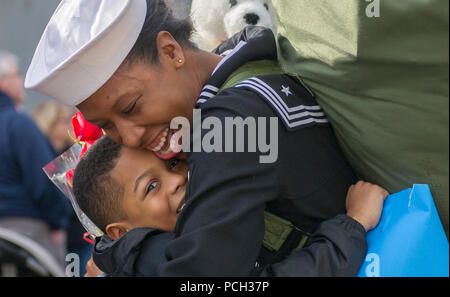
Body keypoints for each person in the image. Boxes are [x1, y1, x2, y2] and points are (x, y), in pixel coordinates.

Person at [25, 0, 387, 276]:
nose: (130, 137)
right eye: (106, 126)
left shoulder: (228, 125)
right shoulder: (247, 66)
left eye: (132, 106)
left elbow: (199, 276)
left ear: (171, 51)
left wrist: (118, 250)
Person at [73, 135, 387, 276]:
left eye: (172, 165)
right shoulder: (166, 261)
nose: (178, 180)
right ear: (119, 232)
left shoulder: (157, 246)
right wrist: (354, 222)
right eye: (151, 187)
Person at [0, 50, 72, 268]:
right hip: (27, 230)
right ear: (2, 82)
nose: (21, 81)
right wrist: (58, 221)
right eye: (16, 74)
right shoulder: (17, 123)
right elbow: (44, 179)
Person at [32, 101, 93, 276]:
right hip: (54, 233)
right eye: (64, 120)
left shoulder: (74, 154)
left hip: (79, 234)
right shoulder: (40, 156)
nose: (70, 124)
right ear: (49, 123)